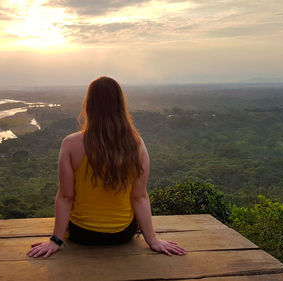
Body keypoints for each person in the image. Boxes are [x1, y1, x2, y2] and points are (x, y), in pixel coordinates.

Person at [27, 76, 187, 258]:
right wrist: (153, 240)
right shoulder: (136, 145)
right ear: (120, 105)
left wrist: (55, 240)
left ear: (89, 105)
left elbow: (65, 197)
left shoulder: (71, 144)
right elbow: (139, 197)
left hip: (82, 234)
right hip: (122, 234)